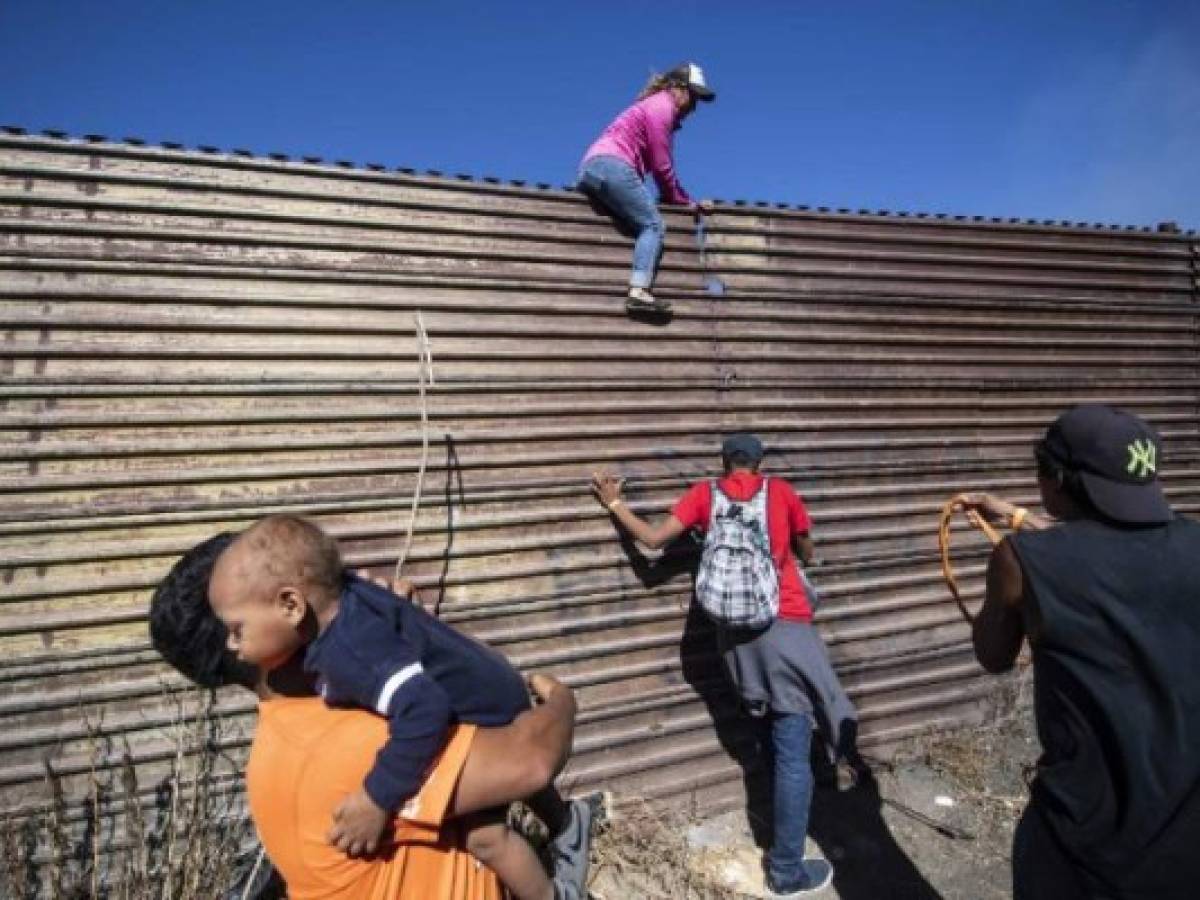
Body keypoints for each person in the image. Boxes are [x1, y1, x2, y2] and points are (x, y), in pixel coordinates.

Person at [149, 532, 585, 900]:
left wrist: (399, 633)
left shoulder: (283, 739)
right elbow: (532, 760)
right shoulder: (354, 741)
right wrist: (562, 701)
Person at [590, 433, 857, 897]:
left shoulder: (703, 495)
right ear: (760, 463)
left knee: (768, 734)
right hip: (784, 627)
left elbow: (653, 541)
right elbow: (807, 551)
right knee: (794, 748)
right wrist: (797, 548)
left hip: (734, 642)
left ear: (723, 463)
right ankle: (788, 871)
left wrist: (614, 503)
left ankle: (775, 820)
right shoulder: (782, 493)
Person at [960, 404, 1200, 900]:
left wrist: (1013, 545)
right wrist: (1017, 515)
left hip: (1082, 843)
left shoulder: (1019, 560)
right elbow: (1119, 551)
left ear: (1055, 480)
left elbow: (994, 656)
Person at [577, 61, 715, 315]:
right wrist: (683, 201)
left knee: (635, 217)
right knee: (653, 224)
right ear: (677, 88)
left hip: (594, 169)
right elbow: (662, 165)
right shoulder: (662, 108)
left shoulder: (651, 106)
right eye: (693, 97)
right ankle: (639, 291)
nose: (693, 107)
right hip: (613, 167)